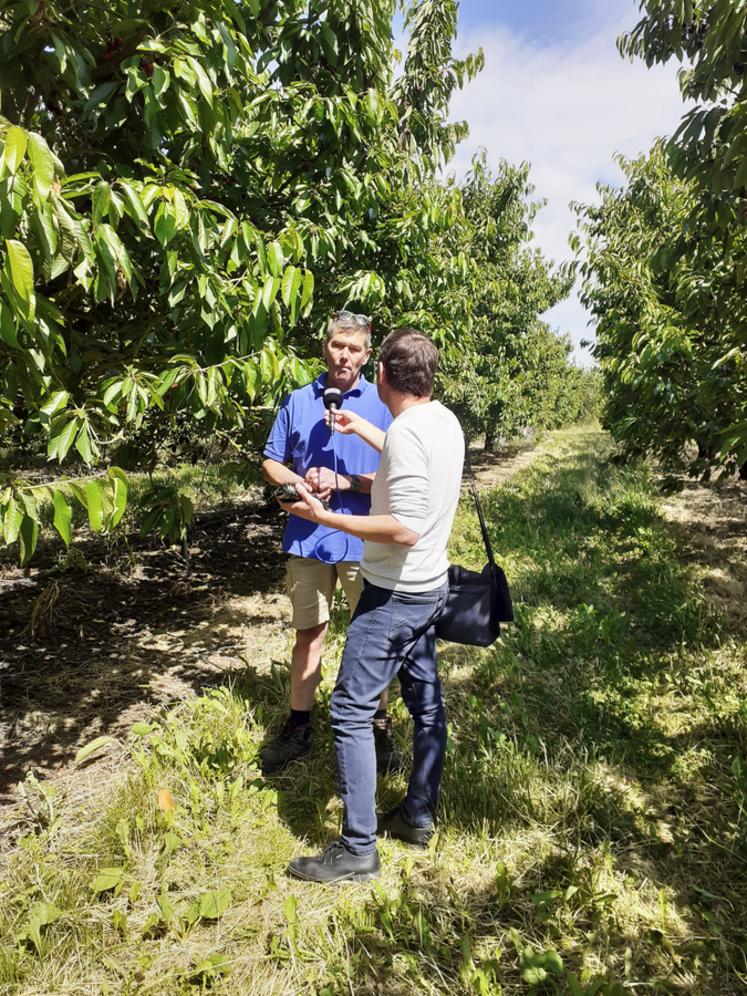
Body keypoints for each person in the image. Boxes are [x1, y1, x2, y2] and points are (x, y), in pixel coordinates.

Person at [283, 328, 465, 883]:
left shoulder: (409, 432)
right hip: (432, 588)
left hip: (394, 594)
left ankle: (358, 849)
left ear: (381, 372)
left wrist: (325, 517)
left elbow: (403, 527)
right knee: (426, 703)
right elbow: (406, 454)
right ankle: (416, 814)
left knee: (349, 709)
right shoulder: (443, 421)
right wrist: (359, 424)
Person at [260, 311, 397, 776]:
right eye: (338, 345)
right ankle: (299, 726)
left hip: (364, 540)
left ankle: (379, 726)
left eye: (354, 348)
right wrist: (300, 483)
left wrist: (346, 481)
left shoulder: (382, 407)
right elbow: (270, 462)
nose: (345, 355)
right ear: (326, 346)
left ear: (366, 355)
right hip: (309, 539)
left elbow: (397, 476)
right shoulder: (298, 401)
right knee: (309, 633)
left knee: (373, 638)